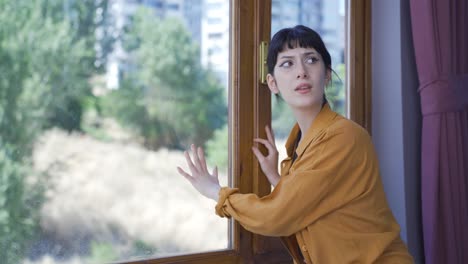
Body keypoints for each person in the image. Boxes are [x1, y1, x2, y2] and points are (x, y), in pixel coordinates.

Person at [177, 25, 414, 263]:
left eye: (311, 60)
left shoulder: (343, 137)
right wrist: (276, 178)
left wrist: (217, 193)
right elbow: (310, 209)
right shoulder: (299, 147)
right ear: (272, 83)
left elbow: (278, 216)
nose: (301, 71)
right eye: (288, 64)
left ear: (328, 73)